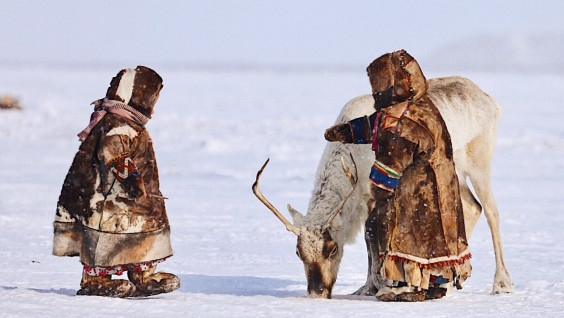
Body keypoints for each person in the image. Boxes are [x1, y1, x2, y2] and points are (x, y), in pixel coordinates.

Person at [325, 50, 471, 301]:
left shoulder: (405, 122)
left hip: (418, 194)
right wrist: (347, 132)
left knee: (412, 236)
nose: (376, 93)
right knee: (437, 238)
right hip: (441, 186)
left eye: (379, 87)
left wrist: (380, 189)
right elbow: (377, 126)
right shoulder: (417, 106)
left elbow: (391, 159)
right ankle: (434, 282)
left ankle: (410, 286)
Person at [53, 66, 180, 298]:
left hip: (133, 200)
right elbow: (113, 152)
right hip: (109, 198)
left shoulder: (127, 122)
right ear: (142, 97)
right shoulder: (117, 123)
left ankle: (143, 275)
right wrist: (131, 180)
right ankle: (95, 280)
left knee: (141, 231)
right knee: (106, 236)